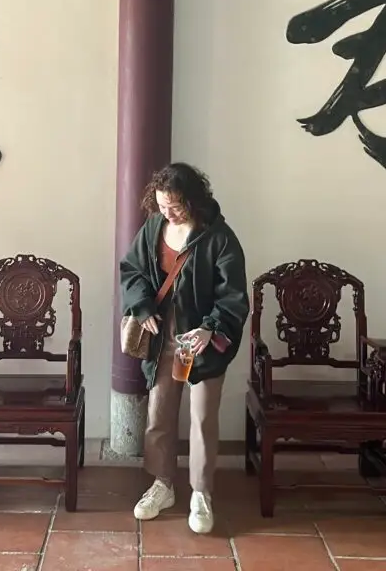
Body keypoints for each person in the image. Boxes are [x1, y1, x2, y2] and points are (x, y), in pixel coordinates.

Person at [118, 162, 249, 534]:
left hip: (202, 339)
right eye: (162, 205)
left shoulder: (219, 238)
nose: (168, 212)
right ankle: (162, 484)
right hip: (163, 335)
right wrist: (142, 307)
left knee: (203, 417)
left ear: (193, 200)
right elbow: (133, 271)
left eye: (175, 206)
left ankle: (201, 493)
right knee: (160, 411)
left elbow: (234, 296)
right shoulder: (154, 228)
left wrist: (211, 329)